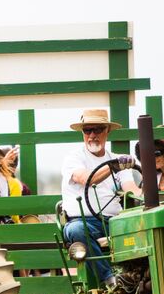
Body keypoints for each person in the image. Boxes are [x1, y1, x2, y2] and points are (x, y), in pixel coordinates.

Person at [60, 109, 139, 284]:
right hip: (84, 222)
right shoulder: (73, 158)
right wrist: (113, 167)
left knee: (144, 228)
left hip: (115, 222)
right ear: (83, 133)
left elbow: (132, 190)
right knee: (76, 231)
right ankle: (110, 279)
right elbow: (88, 179)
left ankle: (140, 279)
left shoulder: (117, 160)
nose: (92, 135)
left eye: (98, 129)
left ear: (107, 131)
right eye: (87, 130)